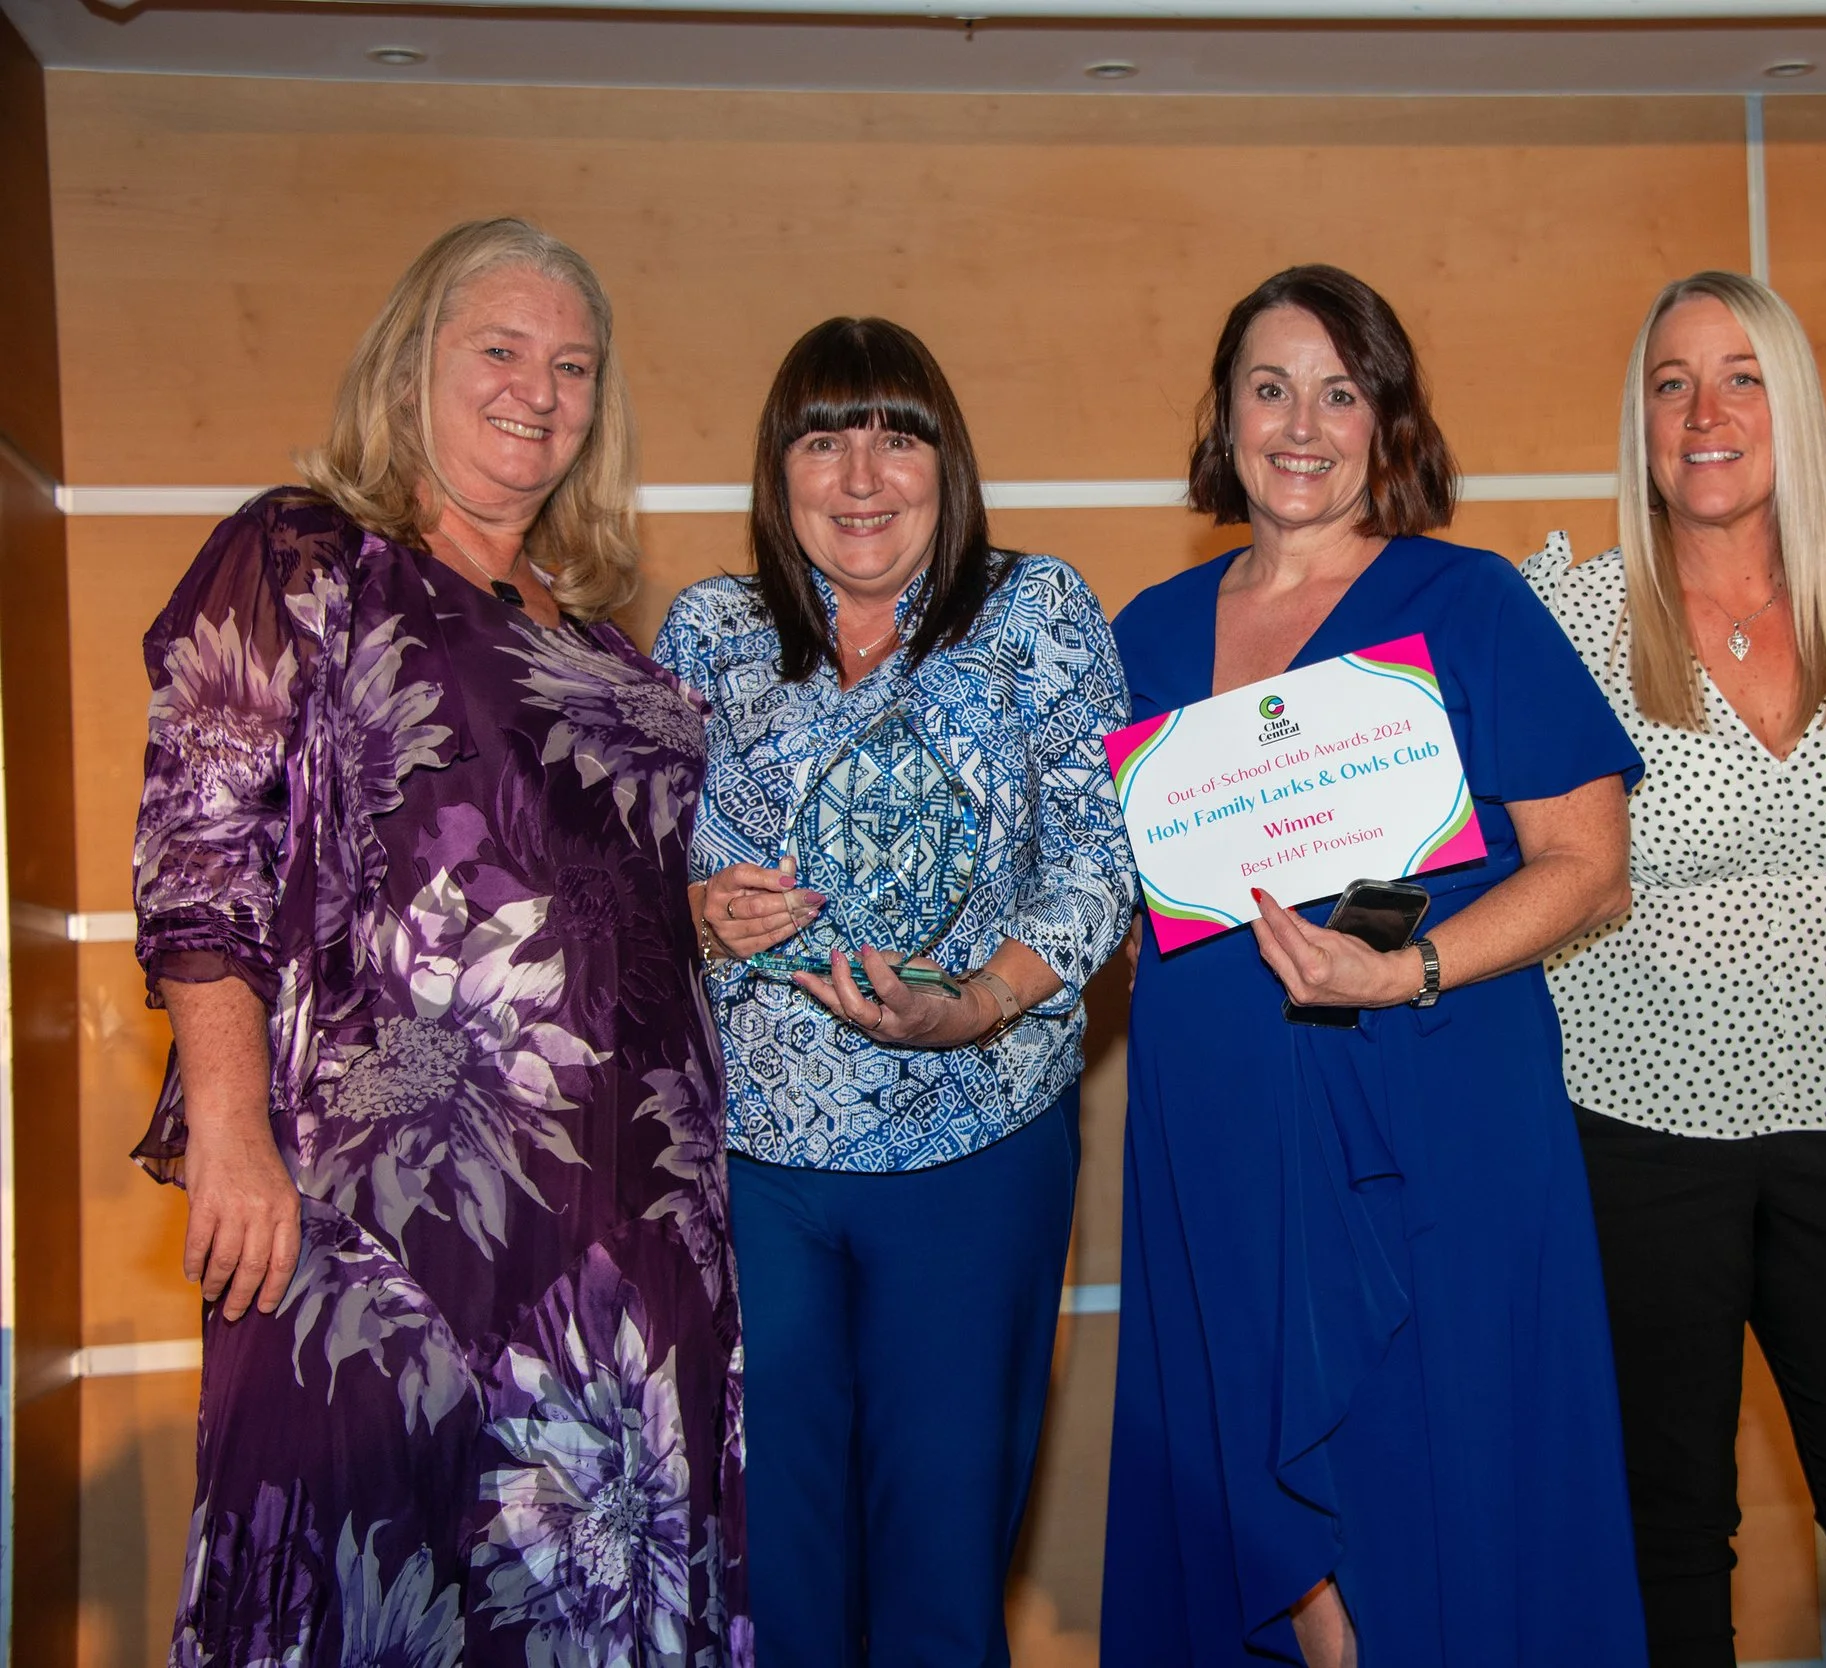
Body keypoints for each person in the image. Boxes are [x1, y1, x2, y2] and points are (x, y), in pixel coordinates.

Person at [132, 218, 745, 1665]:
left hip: (637, 1233)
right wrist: (227, 1124)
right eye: (501, 348)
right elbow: (201, 850)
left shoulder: (605, 640)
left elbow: (616, 898)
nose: (539, 390)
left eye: (574, 366)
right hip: (382, 1217)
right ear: (413, 364)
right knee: (368, 1585)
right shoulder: (308, 556)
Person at [1102, 263, 1649, 1668]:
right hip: (1214, 1130)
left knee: (1443, 1482)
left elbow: (1590, 865)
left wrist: (1403, 975)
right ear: (1222, 418)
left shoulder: (1469, 606)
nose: (1302, 423)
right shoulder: (1144, 634)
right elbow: (1094, 886)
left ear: (1387, 421)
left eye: (1340, 392)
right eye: (1269, 388)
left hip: (1433, 1114)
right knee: (1244, 1490)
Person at [1524, 270, 1826, 1667]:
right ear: (1641, 425)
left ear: (1793, 407)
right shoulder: (1565, 620)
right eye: (1671, 383)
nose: (1705, 411)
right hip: (1630, 1136)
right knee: (1658, 1532)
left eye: (1741, 377)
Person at [652, 316, 1133, 1668]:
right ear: (779, 465)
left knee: (940, 1555)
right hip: (757, 1168)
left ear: (946, 459)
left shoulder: (1037, 612)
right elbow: (625, 870)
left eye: (897, 434)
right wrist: (694, 910)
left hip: (978, 1148)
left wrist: (978, 1002)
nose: (862, 476)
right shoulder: (709, 631)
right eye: (825, 437)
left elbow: (1106, 861)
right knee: (776, 1560)